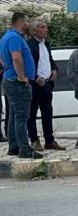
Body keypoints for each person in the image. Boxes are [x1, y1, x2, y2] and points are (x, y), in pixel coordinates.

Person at [2, 13, 42, 159]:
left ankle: (13, 146)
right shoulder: (15, 38)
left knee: (13, 115)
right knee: (21, 116)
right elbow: (16, 57)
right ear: (20, 22)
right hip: (17, 82)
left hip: (9, 79)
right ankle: (24, 148)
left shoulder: (6, 36)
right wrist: (21, 76)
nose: (27, 24)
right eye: (26, 21)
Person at [27, 18, 63, 151]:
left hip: (47, 84)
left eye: (46, 27)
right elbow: (28, 64)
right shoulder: (29, 44)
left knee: (47, 112)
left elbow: (49, 59)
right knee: (32, 113)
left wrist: (54, 69)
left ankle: (49, 140)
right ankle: (34, 140)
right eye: (42, 27)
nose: (45, 29)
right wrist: (36, 77)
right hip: (35, 84)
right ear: (35, 30)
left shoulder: (45, 43)